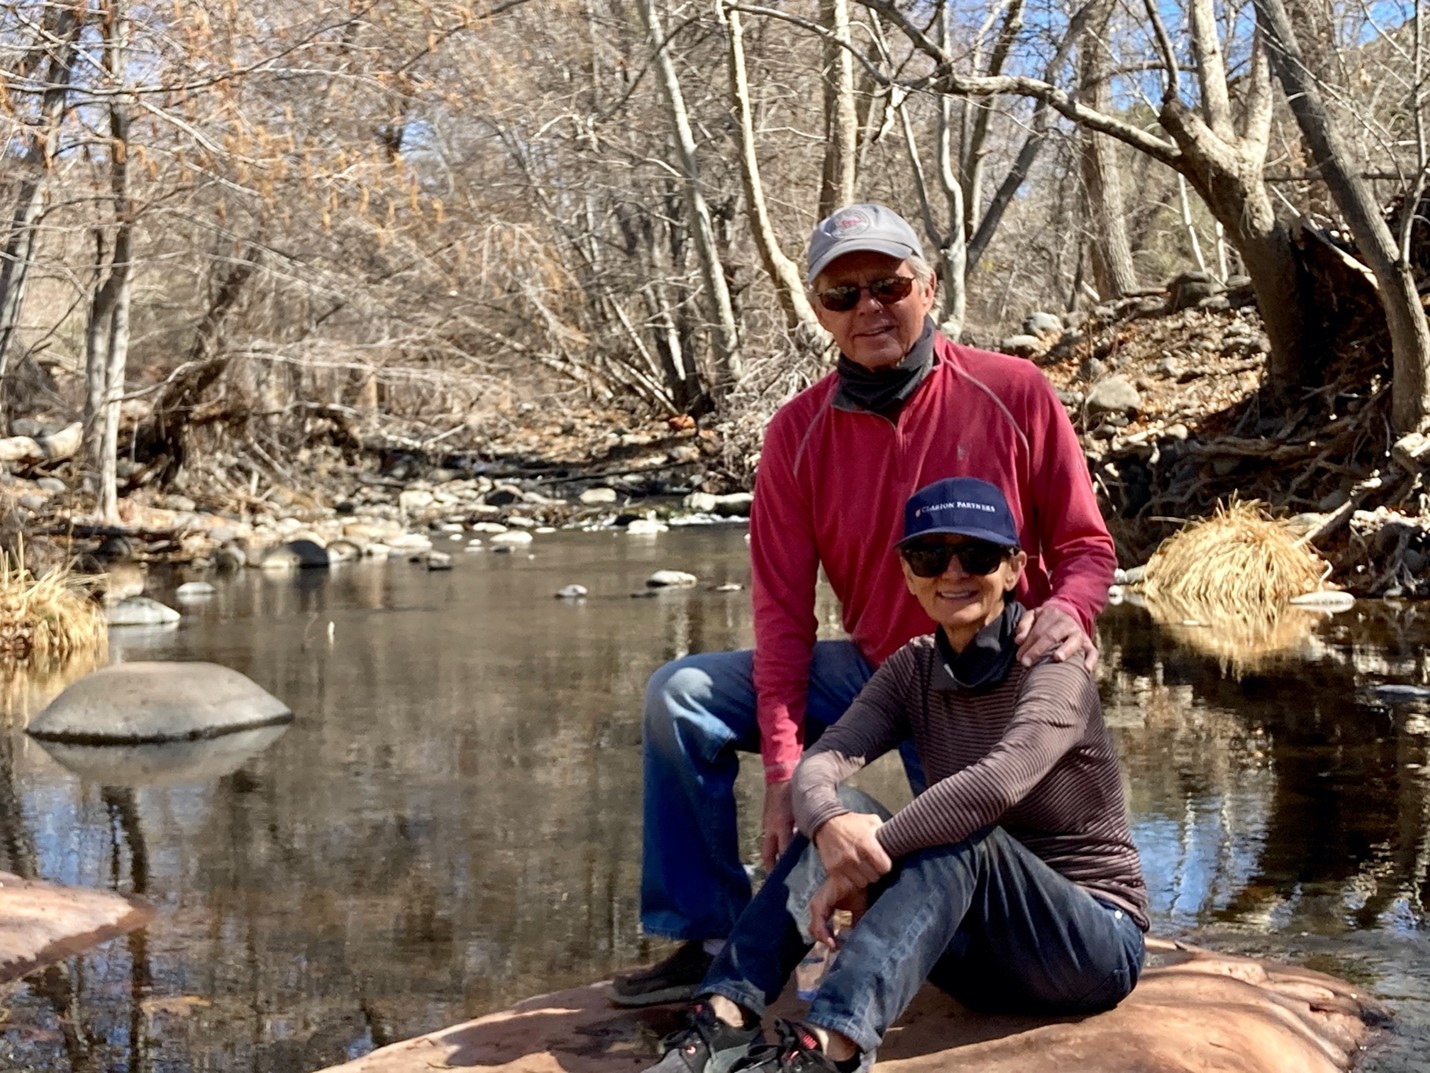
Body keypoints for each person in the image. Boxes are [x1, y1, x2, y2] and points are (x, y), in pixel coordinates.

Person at [613, 203, 1118, 1006]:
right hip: (880, 675)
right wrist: (786, 771)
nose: (868, 308)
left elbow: (1087, 549)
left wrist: (1070, 608)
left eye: (888, 285)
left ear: (929, 287)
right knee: (681, 696)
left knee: (995, 886)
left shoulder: (1014, 392)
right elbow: (783, 619)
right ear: (819, 311)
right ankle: (709, 934)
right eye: (842, 294)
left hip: (992, 680)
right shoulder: (796, 435)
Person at [639, 476, 1148, 1073]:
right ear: (907, 574)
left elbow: (994, 785)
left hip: (1091, 946)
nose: (953, 573)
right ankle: (725, 1015)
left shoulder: (1055, 667)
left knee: (961, 835)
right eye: (930, 556)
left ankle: (829, 1048)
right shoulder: (913, 668)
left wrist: (869, 852)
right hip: (975, 956)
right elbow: (822, 761)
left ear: (1014, 568)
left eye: (977, 555)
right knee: (848, 805)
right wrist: (829, 826)